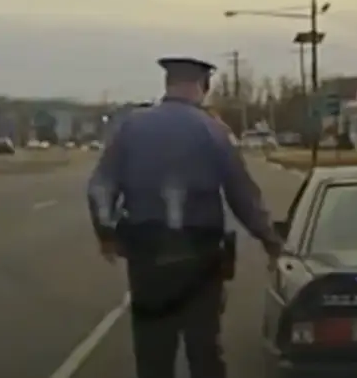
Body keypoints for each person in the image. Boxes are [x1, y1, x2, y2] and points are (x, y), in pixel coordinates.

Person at [86, 56, 283, 378]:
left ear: (168, 85)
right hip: (201, 255)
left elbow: (100, 186)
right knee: (204, 348)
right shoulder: (214, 131)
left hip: (147, 253)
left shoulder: (131, 126)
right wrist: (270, 240)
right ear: (203, 87)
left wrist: (105, 231)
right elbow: (242, 195)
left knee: (153, 350)